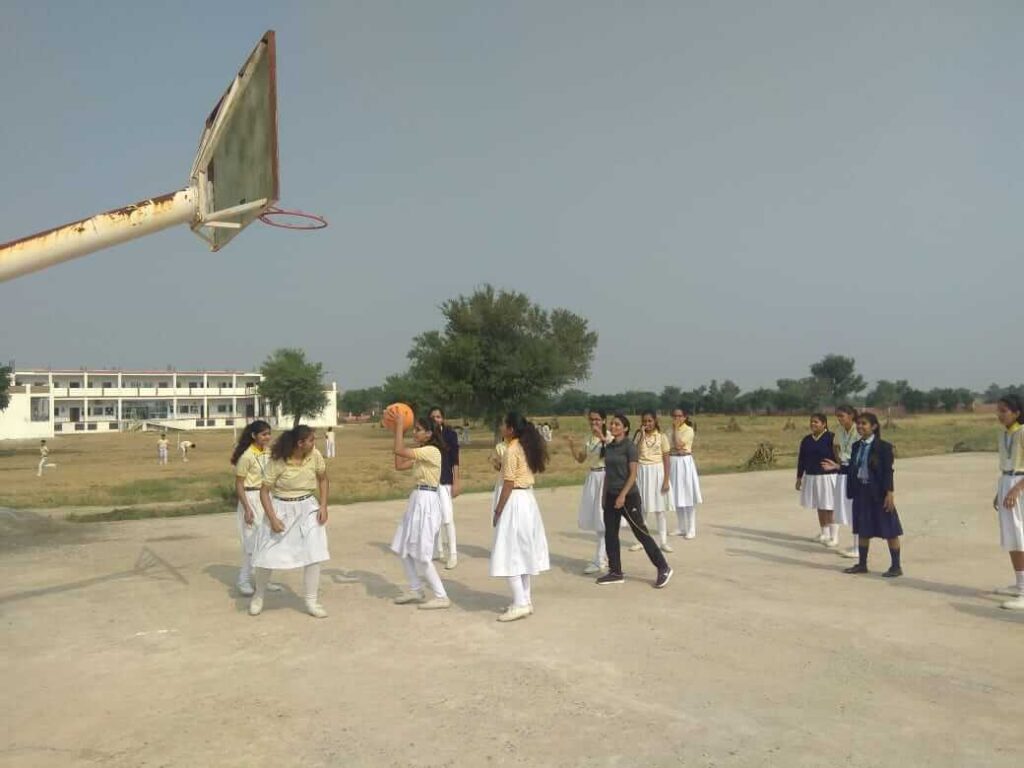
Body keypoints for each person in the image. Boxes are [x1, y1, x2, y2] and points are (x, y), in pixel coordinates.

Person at [249, 425, 330, 618]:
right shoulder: (278, 461)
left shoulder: (315, 455)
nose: (314, 443)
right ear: (299, 443)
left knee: (314, 554)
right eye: (311, 440)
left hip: (308, 508)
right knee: (266, 555)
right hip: (281, 509)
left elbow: (323, 479)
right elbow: (264, 491)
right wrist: (272, 518)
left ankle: (311, 601)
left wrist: (324, 506)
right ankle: (258, 596)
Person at [596, 413, 673, 588]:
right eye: (612, 424)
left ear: (625, 428)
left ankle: (663, 567)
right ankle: (615, 571)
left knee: (641, 533)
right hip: (611, 496)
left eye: (617, 424)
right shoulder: (609, 447)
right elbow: (608, 473)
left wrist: (623, 495)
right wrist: (604, 495)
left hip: (628, 496)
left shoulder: (629, 447)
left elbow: (633, 474)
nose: (613, 426)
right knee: (610, 534)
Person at [825, 413, 903, 577]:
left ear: (873, 426)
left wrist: (890, 493)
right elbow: (854, 468)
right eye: (858, 424)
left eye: (864, 424)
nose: (860, 427)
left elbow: (888, 471)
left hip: (879, 493)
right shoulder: (856, 446)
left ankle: (896, 566)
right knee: (862, 528)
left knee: (890, 529)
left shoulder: (883, 447)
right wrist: (838, 467)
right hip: (861, 491)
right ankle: (862, 564)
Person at [491, 412, 550, 622]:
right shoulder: (525, 447)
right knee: (522, 551)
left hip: (514, 501)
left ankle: (520, 603)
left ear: (511, 429)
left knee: (510, 552)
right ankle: (525, 598)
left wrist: (498, 511)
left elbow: (508, 483)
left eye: (503, 424)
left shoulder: (512, 449)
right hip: (527, 501)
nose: (500, 427)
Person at [390, 415, 452, 610]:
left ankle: (442, 596)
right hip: (416, 499)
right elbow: (399, 464)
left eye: (418, 429)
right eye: (414, 429)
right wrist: (397, 434)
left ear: (429, 433)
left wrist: (399, 428)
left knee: (423, 554)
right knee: (404, 548)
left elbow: (399, 450)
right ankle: (416, 589)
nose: (415, 432)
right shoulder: (421, 453)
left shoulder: (432, 451)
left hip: (427, 501)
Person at [231, 420, 273, 597]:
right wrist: (247, 508)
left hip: (265, 497)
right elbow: (239, 484)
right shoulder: (247, 456)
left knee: (267, 541)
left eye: (269, 433)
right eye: (263, 434)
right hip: (251, 498)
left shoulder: (268, 452)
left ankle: (263, 580)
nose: (267, 437)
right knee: (251, 543)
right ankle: (243, 580)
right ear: (254, 436)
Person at [566, 409, 610, 574]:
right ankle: (603, 556)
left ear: (604, 421)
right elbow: (580, 459)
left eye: (597, 420)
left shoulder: (609, 437)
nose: (594, 423)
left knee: (603, 518)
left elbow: (612, 453)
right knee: (596, 517)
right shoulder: (589, 439)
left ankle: (600, 559)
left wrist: (602, 436)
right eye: (591, 420)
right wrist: (571, 445)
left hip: (605, 477)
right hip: (593, 477)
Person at [991, 395, 1024, 611]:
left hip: (1019, 483)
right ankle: (1020, 583)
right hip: (1006, 480)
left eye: (1004, 410)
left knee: (1020, 534)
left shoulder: (1022, 432)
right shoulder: (1004, 433)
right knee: (1011, 535)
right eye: (999, 410)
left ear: (1017, 413)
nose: (1000, 414)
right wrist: (1000, 489)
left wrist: (1016, 488)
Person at [631, 410, 673, 553]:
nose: (647, 424)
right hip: (642, 472)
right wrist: (641, 437)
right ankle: (641, 540)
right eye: (644, 421)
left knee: (659, 509)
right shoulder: (638, 436)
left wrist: (666, 480)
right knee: (641, 508)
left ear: (655, 421)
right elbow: (634, 454)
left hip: (657, 472)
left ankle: (663, 541)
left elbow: (667, 459)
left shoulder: (662, 437)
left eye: (650, 421)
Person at [796, 414, 838, 547]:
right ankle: (824, 533)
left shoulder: (831, 438)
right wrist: (799, 477)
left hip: (827, 476)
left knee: (830, 506)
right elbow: (801, 459)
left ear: (824, 424)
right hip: (812, 476)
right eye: (811, 422)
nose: (813, 424)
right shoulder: (807, 440)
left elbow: (839, 456)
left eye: (816, 422)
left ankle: (834, 536)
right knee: (820, 505)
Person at [429, 407, 460, 570]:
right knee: (434, 517)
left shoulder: (450, 434)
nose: (436, 419)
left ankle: (453, 553)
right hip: (430, 482)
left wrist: (456, 481)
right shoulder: (427, 436)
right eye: (433, 417)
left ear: (443, 418)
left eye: (438, 416)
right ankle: (438, 549)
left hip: (445, 480)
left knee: (447, 517)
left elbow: (455, 460)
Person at [668, 406, 702, 538]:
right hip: (673, 462)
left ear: (685, 417)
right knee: (677, 495)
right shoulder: (668, 430)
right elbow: (668, 447)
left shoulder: (689, 430)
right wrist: (675, 447)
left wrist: (676, 431)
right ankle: (681, 526)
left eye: (679, 416)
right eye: (674, 416)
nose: (676, 419)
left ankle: (691, 527)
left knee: (688, 495)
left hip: (685, 462)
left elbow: (678, 445)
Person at [830, 406, 860, 558]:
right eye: (838, 417)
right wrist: (838, 461)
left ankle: (858, 548)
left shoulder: (859, 429)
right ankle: (855, 545)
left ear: (851, 415)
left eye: (842, 416)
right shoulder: (839, 430)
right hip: (843, 470)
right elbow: (835, 446)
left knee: (856, 509)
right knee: (844, 508)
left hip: (856, 472)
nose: (839, 419)